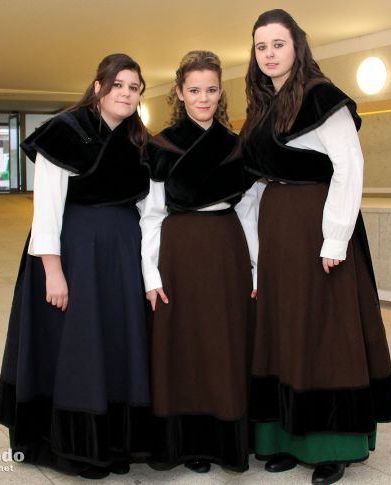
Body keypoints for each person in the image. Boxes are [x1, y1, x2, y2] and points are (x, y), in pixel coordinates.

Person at [241, 9, 391, 485]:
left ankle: (333, 444)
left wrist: (334, 238)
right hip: (278, 229)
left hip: (317, 227)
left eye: (278, 44)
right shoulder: (262, 107)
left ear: (297, 46)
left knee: (326, 331)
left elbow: (349, 167)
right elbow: (253, 186)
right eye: (261, 46)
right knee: (285, 328)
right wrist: (254, 252)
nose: (269, 53)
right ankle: (288, 437)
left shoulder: (321, 96)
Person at [0, 54, 153, 479]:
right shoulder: (66, 131)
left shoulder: (138, 140)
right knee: (77, 348)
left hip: (120, 258)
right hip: (75, 255)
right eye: (118, 84)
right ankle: (72, 447)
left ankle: (113, 442)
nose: (125, 93)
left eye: (134, 87)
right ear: (98, 86)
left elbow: (148, 207)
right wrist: (53, 270)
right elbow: (45, 208)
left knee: (115, 345)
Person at [140, 50, 257, 473]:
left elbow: (247, 212)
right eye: (194, 90)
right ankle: (188, 445)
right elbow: (151, 215)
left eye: (210, 89)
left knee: (222, 342)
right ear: (179, 92)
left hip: (226, 249)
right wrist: (150, 273)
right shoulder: (161, 145)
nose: (203, 98)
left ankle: (224, 443)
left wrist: (256, 267)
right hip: (178, 251)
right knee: (184, 346)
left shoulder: (236, 145)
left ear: (220, 91)